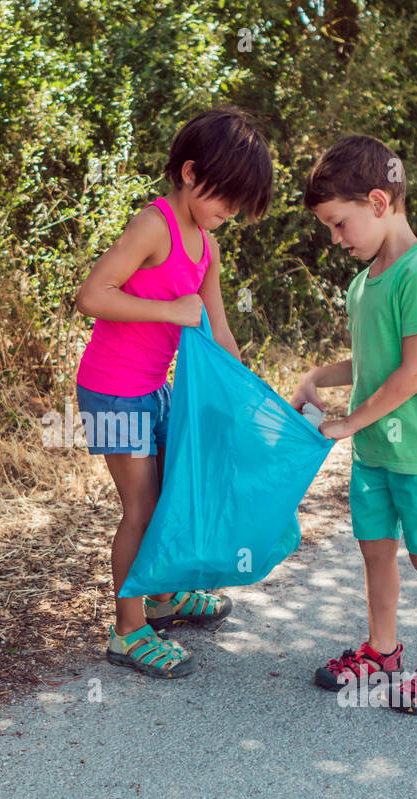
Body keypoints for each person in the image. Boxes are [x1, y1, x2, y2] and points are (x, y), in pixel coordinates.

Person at [73, 105, 273, 679]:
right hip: (113, 391)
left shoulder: (207, 244)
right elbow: (93, 295)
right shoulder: (153, 224)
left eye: (239, 208)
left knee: (169, 499)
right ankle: (127, 631)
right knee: (140, 508)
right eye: (225, 199)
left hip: (154, 390)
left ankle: (162, 598)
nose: (229, 214)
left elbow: (217, 324)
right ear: (189, 172)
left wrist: (245, 395)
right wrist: (168, 310)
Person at [292, 134, 417, 713]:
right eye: (329, 226)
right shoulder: (365, 280)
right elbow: (372, 363)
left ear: (379, 202)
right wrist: (316, 377)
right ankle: (382, 651)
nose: (335, 238)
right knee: (375, 549)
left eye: (339, 223)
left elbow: (412, 375)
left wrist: (348, 423)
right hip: (375, 452)